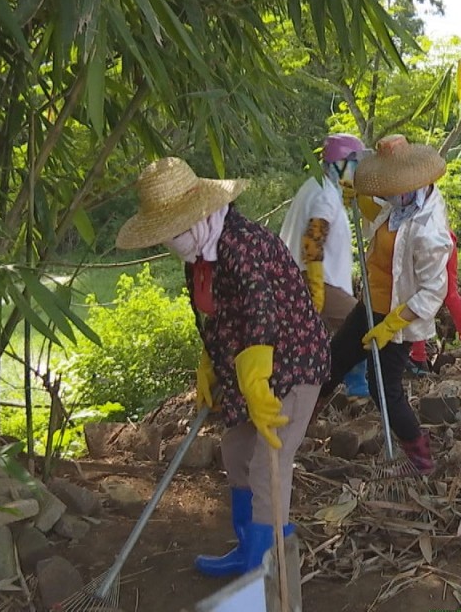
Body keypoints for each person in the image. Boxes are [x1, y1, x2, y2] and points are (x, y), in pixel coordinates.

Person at [114, 158, 329, 578]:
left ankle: (268, 575)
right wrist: (208, 361)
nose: (171, 242)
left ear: (197, 214)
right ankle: (249, 545)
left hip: (293, 362)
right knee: (235, 450)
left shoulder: (239, 244)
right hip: (247, 367)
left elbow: (259, 311)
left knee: (271, 462)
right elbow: (213, 316)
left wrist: (255, 375)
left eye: (173, 230)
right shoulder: (198, 253)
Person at [320, 135, 452, 474]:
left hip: (398, 315)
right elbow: (379, 217)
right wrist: (360, 199)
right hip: (370, 305)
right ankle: (295, 426)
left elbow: (433, 291)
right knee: (331, 363)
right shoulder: (399, 203)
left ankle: (421, 459)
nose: (387, 193)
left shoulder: (429, 228)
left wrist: (392, 324)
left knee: (384, 389)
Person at [279, 133, 370, 397]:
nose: (357, 171)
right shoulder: (325, 194)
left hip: (305, 275)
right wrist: (316, 285)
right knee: (361, 323)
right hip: (316, 278)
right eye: (354, 164)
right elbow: (313, 236)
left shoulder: (318, 186)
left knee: (314, 339)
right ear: (341, 164)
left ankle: (324, 385)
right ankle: (354, 385)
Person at [409, 229, 461, 374]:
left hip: (425, 242)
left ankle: (418, 357)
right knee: (451, 295)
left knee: (422, 296)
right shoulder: (433, 207)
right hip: (445, 237)